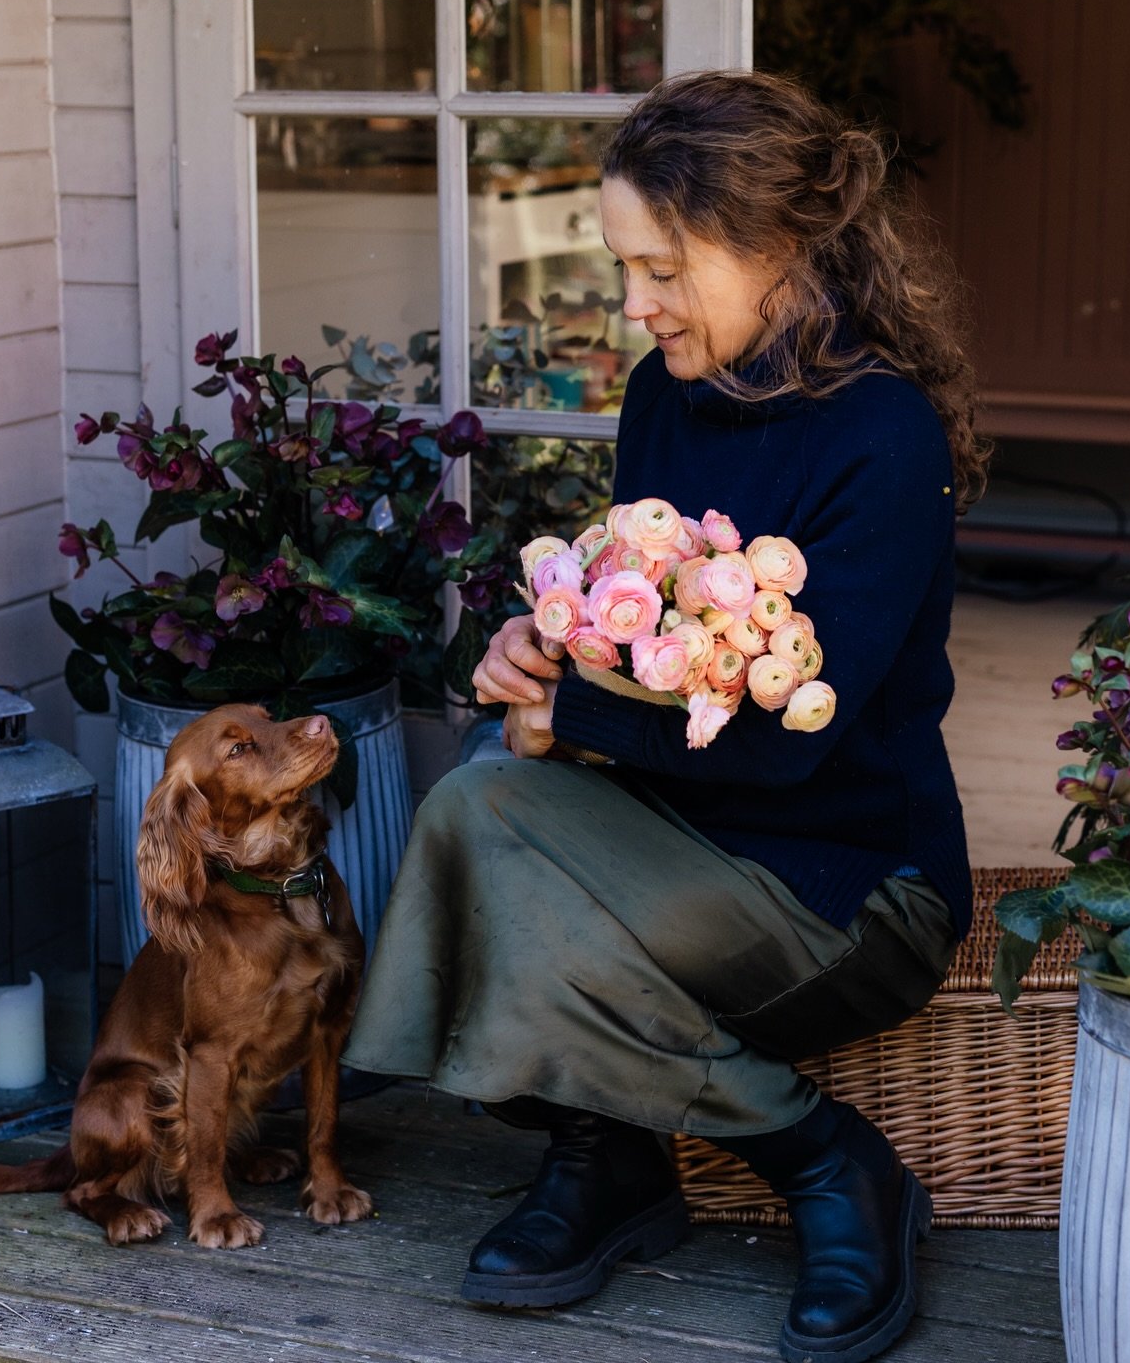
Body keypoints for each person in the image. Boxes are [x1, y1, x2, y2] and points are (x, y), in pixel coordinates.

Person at [342, 70, 984, 1363]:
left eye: (665, 270)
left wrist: (570, 721)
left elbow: (797, 745)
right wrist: (554, 650)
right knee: (484, 775)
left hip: (850, 882)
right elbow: (640, 643)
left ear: (776, 246)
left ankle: (825, 1160)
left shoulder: (883, 437)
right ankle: (616, 1150)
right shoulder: (660, 398)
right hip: (679, 838)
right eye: (624, 266)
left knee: (489, 801)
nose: (634, 305)